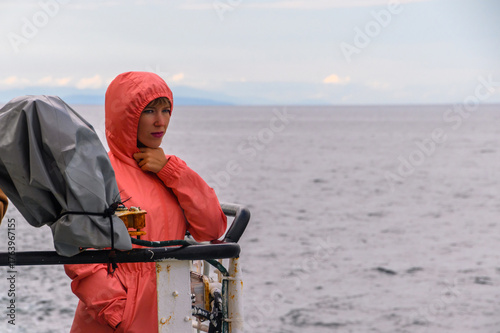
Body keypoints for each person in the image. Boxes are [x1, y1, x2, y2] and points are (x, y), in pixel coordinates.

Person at [65, 72, 227, 332]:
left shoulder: (170, 172)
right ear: (126, 116)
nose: (160, 121)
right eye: (149, 111)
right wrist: (120, 313)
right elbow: (80, 255)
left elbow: (212, 228)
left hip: (170, 309)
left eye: (166, 110)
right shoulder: (99, 175)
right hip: (115, 321)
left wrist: (172, 171)